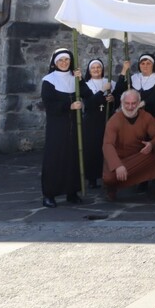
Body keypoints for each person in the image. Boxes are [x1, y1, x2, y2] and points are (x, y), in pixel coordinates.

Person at [41, 49, 88, 207]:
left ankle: (72, 192)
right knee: (54, 158)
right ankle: (49, 194)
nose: (64, 63)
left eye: (67, 60)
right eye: (60, 60)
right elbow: (49, 105)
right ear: (55, 62)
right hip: (57, 126)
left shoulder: (74, 78)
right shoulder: (49, 80)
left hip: (75, 125)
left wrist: (80, 80)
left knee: (74, 158)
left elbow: (88, 94)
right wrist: (69, 106)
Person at [102, 89, 155, 201]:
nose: (130, 107)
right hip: (121, 160)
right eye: (127, 103)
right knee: (109, 179)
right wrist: (117, 165)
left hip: (139, 158)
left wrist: (151, 144)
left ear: (139, 103)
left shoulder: (146, 117)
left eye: (133, 103)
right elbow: (107, 145)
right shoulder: (114, 120)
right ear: (122, 103)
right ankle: (111, 189)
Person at [79, 57, 121, 190]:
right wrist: (102, 90)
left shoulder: (110, 82)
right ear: (89, 70)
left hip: (107, 119)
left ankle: (109, 175)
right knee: (92, 150)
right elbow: (90, 103)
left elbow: (116, 102)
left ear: (102, 69)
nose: (96, 70)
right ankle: (92, 178)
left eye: (98, 67)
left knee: (108, 148)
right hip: (91, 122)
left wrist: (113, 99)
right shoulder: (86, 85)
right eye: (93, 68)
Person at [122, 53, 155, 132]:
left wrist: (143, 103)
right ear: (139, 65)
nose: (145, 66)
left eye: (148, 63)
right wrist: (124, 70)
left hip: (153, 116)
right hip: (135, 117)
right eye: (142, 63)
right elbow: (120, 89)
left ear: (153, 65)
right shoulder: (134, 78)